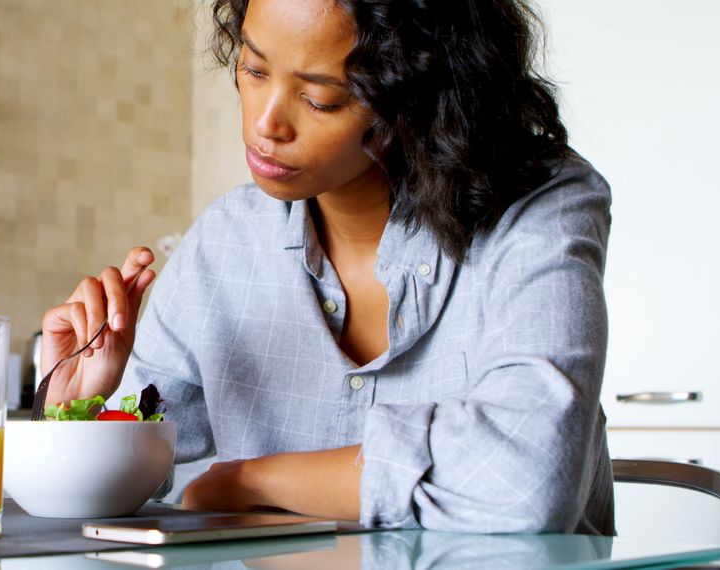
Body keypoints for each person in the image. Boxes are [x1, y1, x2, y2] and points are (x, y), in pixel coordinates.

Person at [40, 0, 613, 534]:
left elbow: (528, 481)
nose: (267, 123)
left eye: (321, 100)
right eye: (254, 69)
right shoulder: (227, 241)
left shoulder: (539, 206)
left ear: (419, 99)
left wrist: (251, 479)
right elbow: (135, 480)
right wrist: (75, 409)